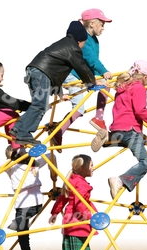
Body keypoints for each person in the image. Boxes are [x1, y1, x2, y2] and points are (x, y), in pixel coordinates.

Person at [9, 21, 100, 147]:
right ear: (79, 40)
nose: (83, 47)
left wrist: (60, 94)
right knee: (40, 105)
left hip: (36, 71)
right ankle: (21, 130)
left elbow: (56, 73)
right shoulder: (73, 48)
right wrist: (92, 82)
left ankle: (19, 129)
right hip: (41, 73)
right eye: (84, 43)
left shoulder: (64, 44)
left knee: (40, 105)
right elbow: (81, 67)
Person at [90, 60, 147, 199]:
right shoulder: (139, 88)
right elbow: (140, 110)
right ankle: (119, 180)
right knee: (145, 163)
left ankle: (108, 138)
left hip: (117, 129)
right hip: (130, 131)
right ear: (144, 77)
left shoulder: (122, 87)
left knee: (125, 140)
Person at [48, 154, 110, 250]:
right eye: (91, 165)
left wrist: (55, 213)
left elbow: (62, 199)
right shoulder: (81, 184)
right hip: (77, 223)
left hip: (72, 221)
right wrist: (90, 218)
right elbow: (80, 204)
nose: (94, 168)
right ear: (83, 168)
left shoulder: (72, 180)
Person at [54, 9, 113, 149]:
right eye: (102, 24)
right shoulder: (82, 38)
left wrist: (95, 78)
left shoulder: (94, 40)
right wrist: (104, 71)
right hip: (72, 75)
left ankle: (98, 118)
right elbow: (90, 59)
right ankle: (58, 131)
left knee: (106, 85)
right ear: (92, 23)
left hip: (82, 74)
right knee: (79, 109)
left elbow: (90, 62)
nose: (103, 28)